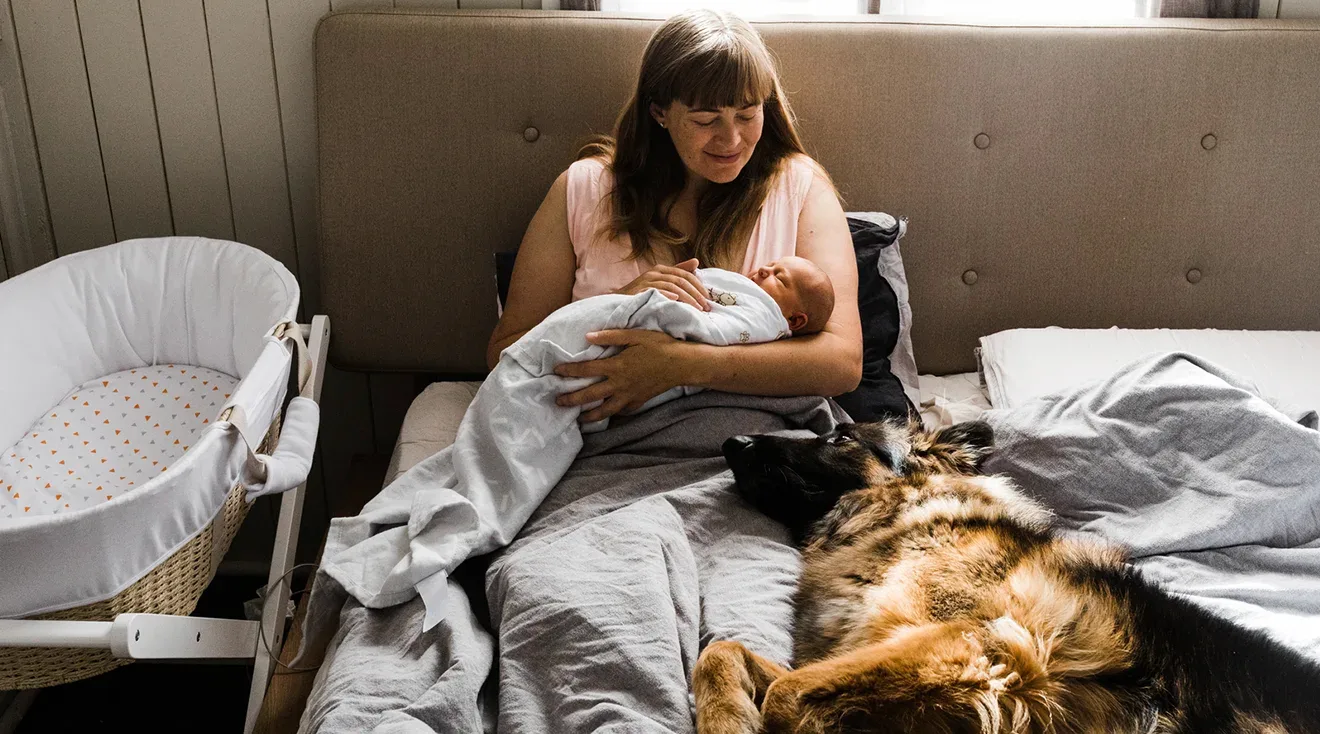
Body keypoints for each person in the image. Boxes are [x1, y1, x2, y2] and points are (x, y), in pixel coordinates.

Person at [486, 8, 862, 422]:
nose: (732, 139)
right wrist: (618, 303)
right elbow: (506, 353)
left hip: (760, 441)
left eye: (747, 113)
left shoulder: (798, 186)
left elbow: (843, 363)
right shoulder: (583, 190)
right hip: (610, 443)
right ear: (659, 112)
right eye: (706, 119)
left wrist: (680, 365)